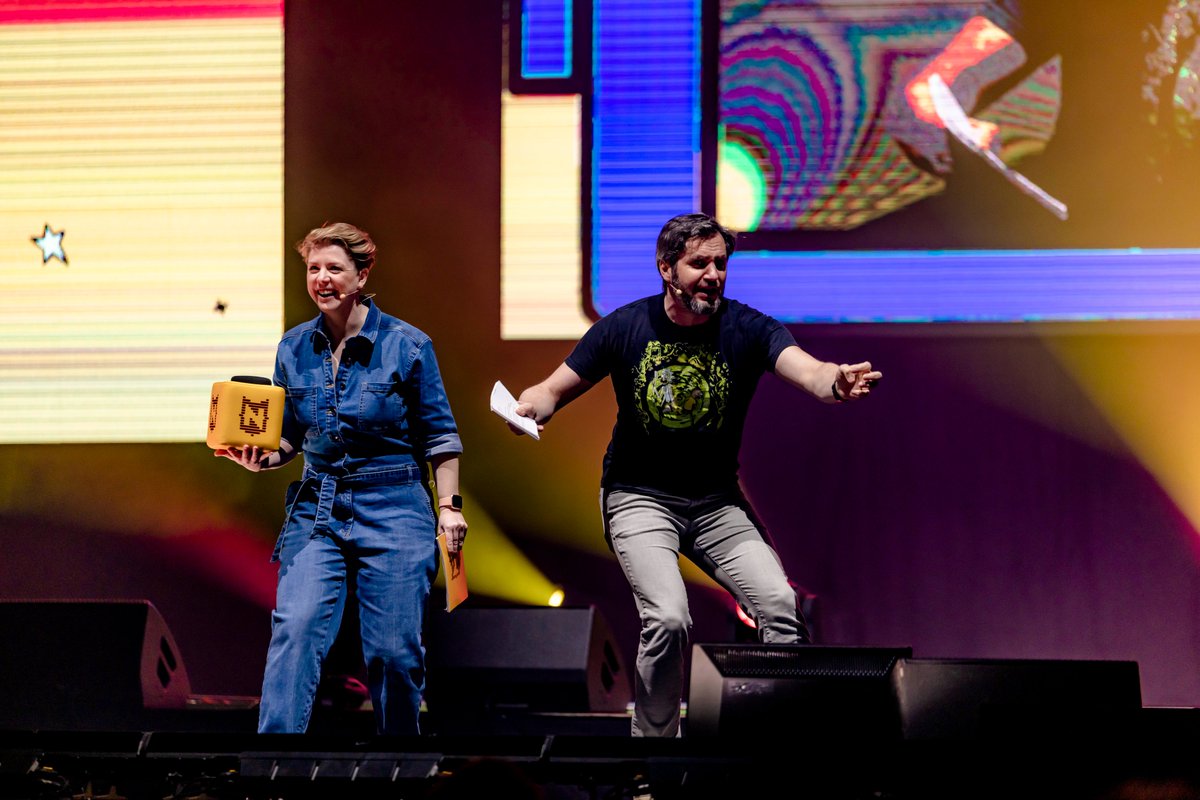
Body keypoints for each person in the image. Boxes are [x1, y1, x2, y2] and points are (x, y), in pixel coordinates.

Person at [510, 213, 881, 737]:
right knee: (667, 619)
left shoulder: (749, 328)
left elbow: (811, 373)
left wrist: (836, 381)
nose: (713, 274)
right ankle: (653, 758)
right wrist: (531, 405)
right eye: (699, 263)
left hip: (715, 504)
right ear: (666, 268)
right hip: (638, 498)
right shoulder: (625, 326)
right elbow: (552, 389)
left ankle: (776, 745)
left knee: (779, 607)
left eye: (721, 264)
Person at [216, 221, 467, 735]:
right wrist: (260, 458)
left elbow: (440, 438)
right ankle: (275, 770)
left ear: (362, 274)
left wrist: (449, 507)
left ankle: (401, 766)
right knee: (297, 628)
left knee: (394, 652)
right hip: (319, 505)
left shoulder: (408, 345)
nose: (322, 279)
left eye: (334, 268)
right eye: (313, 269)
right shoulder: (294, 347)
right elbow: (288, 437)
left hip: (395, 502)